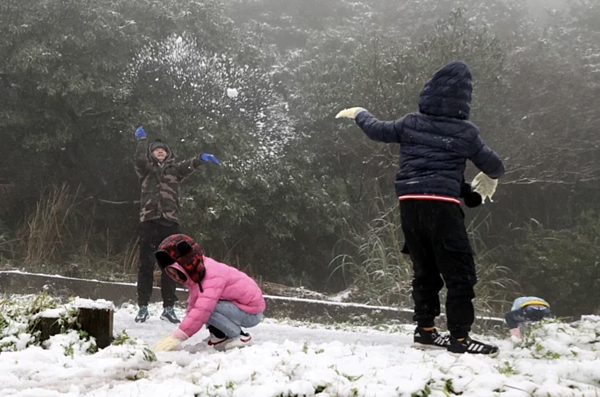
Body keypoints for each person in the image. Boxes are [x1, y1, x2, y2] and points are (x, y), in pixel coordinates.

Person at [336, 60, 505, 356]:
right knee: (460, 273)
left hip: (410, 205)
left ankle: (425, 332)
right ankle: (460, 339)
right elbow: (495, 166)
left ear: (429, 92)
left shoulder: (410, 123)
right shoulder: (466, 132)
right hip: (443, 208)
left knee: (425, 270)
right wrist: (487, 180)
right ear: (464, 100)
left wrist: (360, 113)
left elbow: (377, 130)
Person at [133, 126, 220, 324]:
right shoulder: (146, 170)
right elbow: (139, 160)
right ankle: (143, 307)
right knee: (146, 264)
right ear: (151, 154)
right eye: (156, 150)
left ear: (168, 153)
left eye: (163, 149)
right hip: (149, 220)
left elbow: (189, 165)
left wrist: (201, 158)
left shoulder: (174, 171)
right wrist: (141, 141)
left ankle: (169, 308)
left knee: (171, 266)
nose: (160, 152)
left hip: (170, 223)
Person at [153, 234, 266, 352]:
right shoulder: (197, 275)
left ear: (186, 264)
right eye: (173, 274)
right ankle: (219, 336)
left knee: (209, 308)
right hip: (238, 306)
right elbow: (194, 306)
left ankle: (240, 336)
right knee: (207, 306)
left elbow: (202, 310)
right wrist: (180, 331)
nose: (176, 277)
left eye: (177, 272)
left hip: (251, 313)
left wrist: (179, 336)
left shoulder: (211, 275)